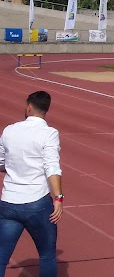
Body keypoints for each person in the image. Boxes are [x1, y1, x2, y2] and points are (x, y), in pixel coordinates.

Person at [0, 91, 63, 277]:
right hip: (37, 204)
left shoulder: (10, 130)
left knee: (2, 255)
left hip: (9, 203)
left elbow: (1, 162)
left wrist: (13, 166)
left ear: (29, 107)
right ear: (46, 109)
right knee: (47, 255)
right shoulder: (49, 133)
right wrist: (58, 197)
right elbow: (52, 167)